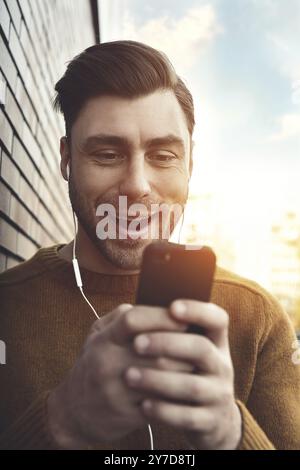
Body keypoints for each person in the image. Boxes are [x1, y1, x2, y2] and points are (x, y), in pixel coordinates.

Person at [0, 40, 300, 450]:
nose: (137, 186)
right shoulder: (7, 306)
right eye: (107, 154)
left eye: (162, 155)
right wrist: (62, 423)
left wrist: (231, 433)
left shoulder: (256, 318)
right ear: (67, 160)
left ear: (189, 164)